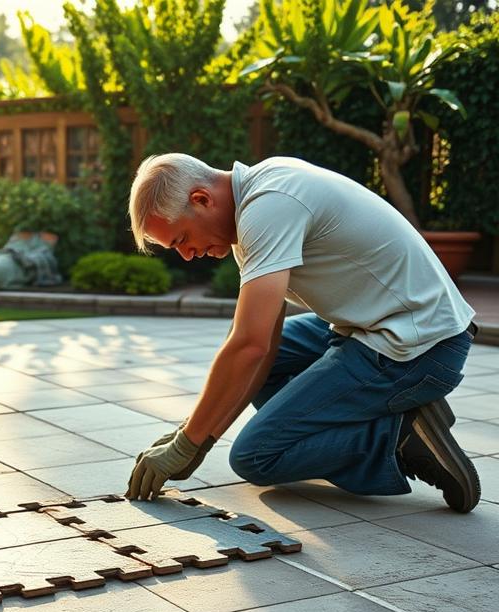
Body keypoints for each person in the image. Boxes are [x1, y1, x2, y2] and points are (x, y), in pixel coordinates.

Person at [125, 154, 480, 513]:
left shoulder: (269, 206)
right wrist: (197, 435)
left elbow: (250, 345)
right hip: (380, 328)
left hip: (420, 347)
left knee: (256, 456)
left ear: (201, 199)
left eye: (181, 239)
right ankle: (377, 416)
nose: (186, 255)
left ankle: (399, 436)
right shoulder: (261, 193)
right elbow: (256, 346)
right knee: (261, 362)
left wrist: (186, 444)